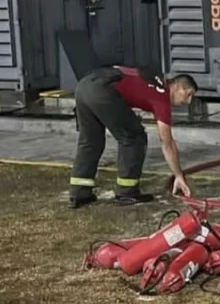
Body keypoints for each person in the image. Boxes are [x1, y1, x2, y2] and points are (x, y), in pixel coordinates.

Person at [68, 66, 198, 209]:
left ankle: (79, 193)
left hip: (84, 86)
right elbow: (167, 142)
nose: (189, 101)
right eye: (189, 94)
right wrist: (178, 175)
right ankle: (127, 192)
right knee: (134, 137)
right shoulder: (161, 96)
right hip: (102, 90)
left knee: (91, 141)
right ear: (177, 85)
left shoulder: (154, 78)